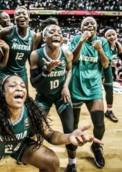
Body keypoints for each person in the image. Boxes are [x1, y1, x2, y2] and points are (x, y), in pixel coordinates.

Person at [30, 24, 78, 172]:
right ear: (44, 38)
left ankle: (72, 163)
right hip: (43, 96)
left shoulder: (67, 54)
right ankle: (35, 157)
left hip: (60, 96)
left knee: (70, 129)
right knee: (34, 129)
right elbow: (34, 82)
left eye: (59, 32)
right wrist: (46, 71)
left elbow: (69, 70)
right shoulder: (36, 55)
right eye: (51, 32)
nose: (56, 34)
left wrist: (65, 87)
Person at [69, 17, 112, 168]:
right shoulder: (76, 39)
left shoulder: (103, 42)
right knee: (73, 123)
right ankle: (73, 145)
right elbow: (72, 60)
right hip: (76, 85)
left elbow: (106, 64)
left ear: (96, 28)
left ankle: (96, 147)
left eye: (92, 23)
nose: (89, 25)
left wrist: (100, 50)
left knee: (99, 123)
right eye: (85, 23)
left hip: (94, 87)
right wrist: (81, 41)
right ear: (81, 28)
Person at [0, 6, 41, 92]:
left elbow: (30, 58)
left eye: (24, 13)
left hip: (21, 72)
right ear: (14, 19)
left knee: (25, 98)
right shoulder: (7, 31)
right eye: (17, 14)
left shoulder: (33, 35)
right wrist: (0, 54)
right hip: (4, 72)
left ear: (29, 18)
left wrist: (34, 75)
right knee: (3, 99)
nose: (21, 15)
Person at [103, 28, 122, 122]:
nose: (112, 37)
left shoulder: (117, 45)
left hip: (107, 68)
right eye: (109, 35)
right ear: (105, 37)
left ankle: (109, 111)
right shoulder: (103, 44)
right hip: (96, 68)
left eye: (113, 34)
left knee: (109, 89)